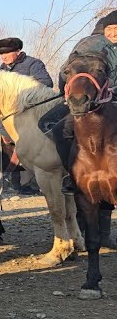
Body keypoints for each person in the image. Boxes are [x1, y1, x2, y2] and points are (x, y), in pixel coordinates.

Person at [53, 10, 117, 194]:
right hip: (95, 101)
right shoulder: (93, 47)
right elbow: (69, 70)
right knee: (60, 130)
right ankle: (72, 175)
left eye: (116, 28)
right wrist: (65, 90)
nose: (113, 33)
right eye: (109, 29)